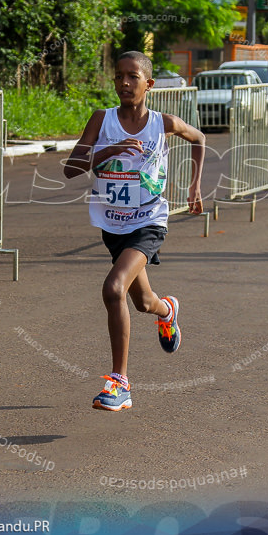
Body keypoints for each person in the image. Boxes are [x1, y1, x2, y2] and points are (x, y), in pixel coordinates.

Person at [63, 51, 205, 411]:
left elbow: (199, 138)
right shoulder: (102, 120)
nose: (124, 83)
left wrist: (194, 187)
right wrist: (110, 149)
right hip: (113, 225)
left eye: (133, 77)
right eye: (119, 76)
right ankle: (167, 310)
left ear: (149, 84)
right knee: (142, 302)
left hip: (149, 221)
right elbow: (71, 169)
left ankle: (119, 384)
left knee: (113, 289)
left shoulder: (164, 123)